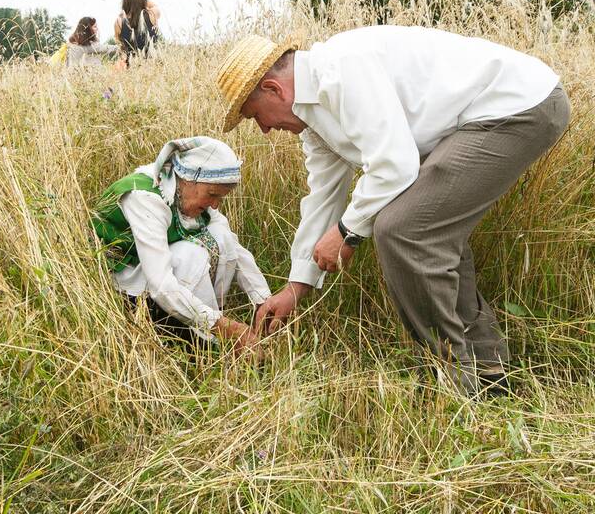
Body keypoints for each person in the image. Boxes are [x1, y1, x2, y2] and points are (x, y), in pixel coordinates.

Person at [215, 26, 570, 395]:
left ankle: (452, 381)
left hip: (519, 106)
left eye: (256, 115)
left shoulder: (340, 71)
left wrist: (348, 231)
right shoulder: (314, 120)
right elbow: (323, 197)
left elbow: (395, 165)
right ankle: (488, 373)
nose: (265, 130)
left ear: (274, 89)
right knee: (425, 226)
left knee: (404, 229)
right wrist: (294, 287)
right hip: (489, 116)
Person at [92, 136, 270, 353]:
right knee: (190, 255)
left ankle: (207, 319)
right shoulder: (145, 197)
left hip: (157, 277)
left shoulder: (186, 192)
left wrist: (263, 301)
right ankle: (203, 344)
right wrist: (223, 327)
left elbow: (234, 248)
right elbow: (161, 285)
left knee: (220, 235)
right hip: (128, 288)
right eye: (212, 194)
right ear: (189, 178)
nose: (214, 204)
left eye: (220, 198)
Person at [113, 0, 160, 65]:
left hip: (132, 70)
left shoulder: (118, 22)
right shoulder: (152, 15)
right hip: (154, 67)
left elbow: (120, 47)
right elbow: (154, 5)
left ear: (125, 0)